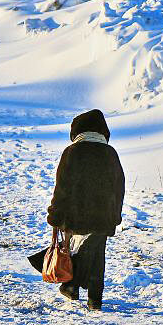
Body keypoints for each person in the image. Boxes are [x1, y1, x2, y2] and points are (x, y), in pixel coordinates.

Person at [31, 109, 126, 311]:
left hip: (76, 216)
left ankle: (71, 286)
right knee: (97, 256)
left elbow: (62, 187)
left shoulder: (72, 152)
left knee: (76, 251)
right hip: (103, 217)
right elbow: (119, 187)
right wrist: (115, 215)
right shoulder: (111, 153)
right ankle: (94, 300)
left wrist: (55, 214)